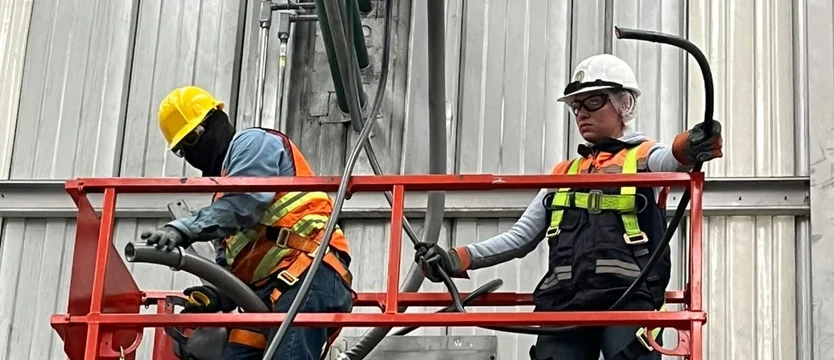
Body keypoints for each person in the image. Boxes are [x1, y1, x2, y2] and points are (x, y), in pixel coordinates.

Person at [414, 54, 723, 360]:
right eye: (577, 106)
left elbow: (673, 158)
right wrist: (456, 258)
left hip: (627, 295)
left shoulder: (642, 156)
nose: (581, 114)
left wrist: (692, 144)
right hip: (565, 299)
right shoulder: (564, 173)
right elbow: (521, 237)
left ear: (623, 104)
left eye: (592, 102)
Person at [140, 85, 355, 360]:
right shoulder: (221, 202)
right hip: (267, 296)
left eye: (191, 140)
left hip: (309, 274)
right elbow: (231, 270)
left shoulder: (253, 143)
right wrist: (213, 296)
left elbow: (245, 206)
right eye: (182, 150)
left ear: (214, 123)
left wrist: (182, 230)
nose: (191, 155)